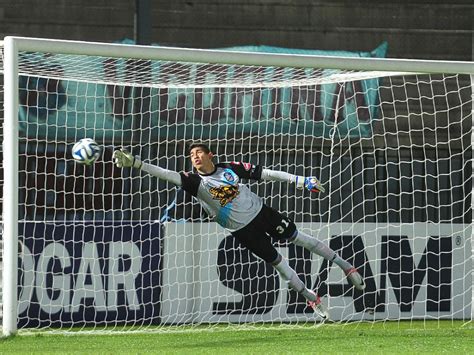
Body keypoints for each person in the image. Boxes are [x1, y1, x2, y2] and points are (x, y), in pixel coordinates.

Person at [113, 142, 365, 320]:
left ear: (210, 155)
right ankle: (310, 296)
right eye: (192, 155)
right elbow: (165, 174)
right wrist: (136, 163)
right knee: (278, 263)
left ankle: (346, 266)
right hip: (242, 230)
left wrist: (300, 181)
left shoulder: (229, 168)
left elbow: (265, 173)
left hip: (262, 213)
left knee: (300, 239)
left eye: (199, 153)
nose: (195, 157)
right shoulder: (194, 181)